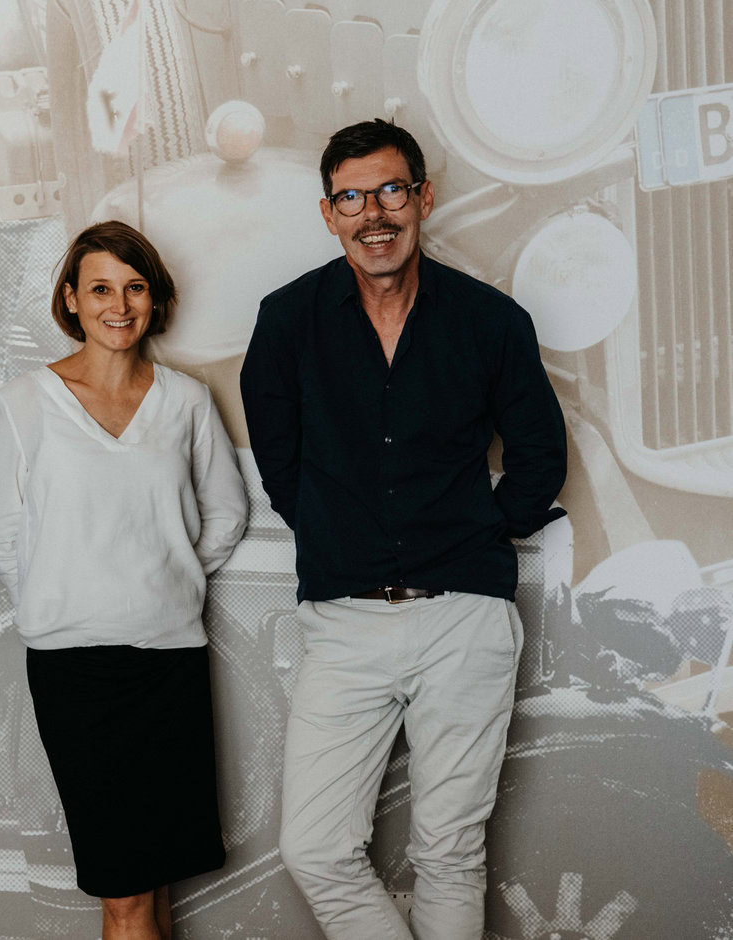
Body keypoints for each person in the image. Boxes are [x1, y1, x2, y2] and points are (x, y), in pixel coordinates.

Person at [240, 120, 567, 939]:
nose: (373, 214)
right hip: (344, 620)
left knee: (450, 852)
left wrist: (476, 534)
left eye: (390, 190)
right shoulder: (286, 321)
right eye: (351, 197)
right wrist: (339, 532)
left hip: (465, 617)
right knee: (316, 848)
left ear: (423, 197)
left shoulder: (490, 320)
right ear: (328, 214)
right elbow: (280, 467)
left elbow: (539, 456)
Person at [0, 220, 249, 939]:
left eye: (134, 288)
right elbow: (2, 533)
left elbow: (226, 512)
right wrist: (65, 595)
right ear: (71, 299)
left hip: (169, 663)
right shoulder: (22, 402)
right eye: (100, 288)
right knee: (124, 889)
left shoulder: (186, 400)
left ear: (155, 300)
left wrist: (163, 577)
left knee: (154, 880)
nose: (118, 305)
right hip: (74, 670)